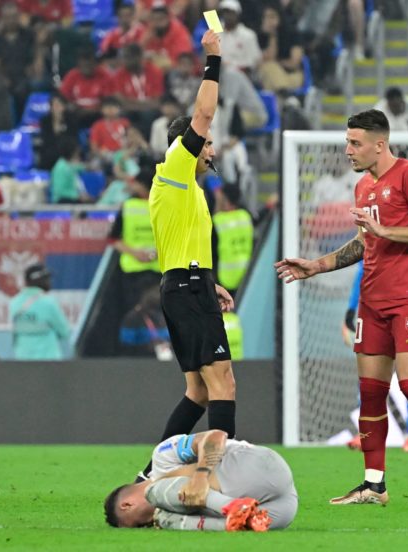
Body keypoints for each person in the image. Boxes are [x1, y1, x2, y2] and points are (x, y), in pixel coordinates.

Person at [275, 109, 408, 506]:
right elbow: (363, 244)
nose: (348, 151)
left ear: (379, 144)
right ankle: (373, 484)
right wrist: (316, 265)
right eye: (347, 142)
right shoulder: (363, 188)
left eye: (355, 143)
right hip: (372, 300)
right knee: (370, 391)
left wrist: (387, 230)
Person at [142, 30, 237, 480]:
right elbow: (203, 110)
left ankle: (151, 473)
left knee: (198, 391)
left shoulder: (185, 191)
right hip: (185, 287)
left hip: (185, 283)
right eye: (209, 143)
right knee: (224, 383)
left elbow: (181, 245)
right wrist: (213, 59)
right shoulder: (178, 167)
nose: (212, 149)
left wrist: (208, 281)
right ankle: (225, 474)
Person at [103, 429, 298, 531]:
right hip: (283, 506)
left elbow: (215, 436)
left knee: (156, 491)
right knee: (168, 518)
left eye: (138, 525)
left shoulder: (162, 457)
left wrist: (200, 475)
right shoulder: (168, 511)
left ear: (126, 505)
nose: (146, 525)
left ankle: (234, 506)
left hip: (253, 464)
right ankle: (237, 518)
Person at [342, 261, 408, 454]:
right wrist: (351, 310)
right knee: (369, 375)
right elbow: (362, 271)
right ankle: (365, 434)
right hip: (375, 312)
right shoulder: (371, 236)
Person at [109, 173, 172, 359]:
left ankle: (160, 350)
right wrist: (135, 253)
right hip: (133, 273)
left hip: (156, 272)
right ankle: (133, 352)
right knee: (134, 313)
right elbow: (113, 238)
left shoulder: (164, 205)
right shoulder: (128, 206)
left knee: (159, 313)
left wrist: (155, 253)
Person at [10, 263, 71, 360]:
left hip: (22, 360)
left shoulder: (14, 302)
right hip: (48, 362)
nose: (50, 282)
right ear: (42, 281)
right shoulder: (49, 303)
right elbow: (65, 332)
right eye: (48, 279)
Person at [212, 184, 253, 297]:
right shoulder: (245, 216)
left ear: (225, 199)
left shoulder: (217, 221)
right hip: (247, 274)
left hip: (226, 278)